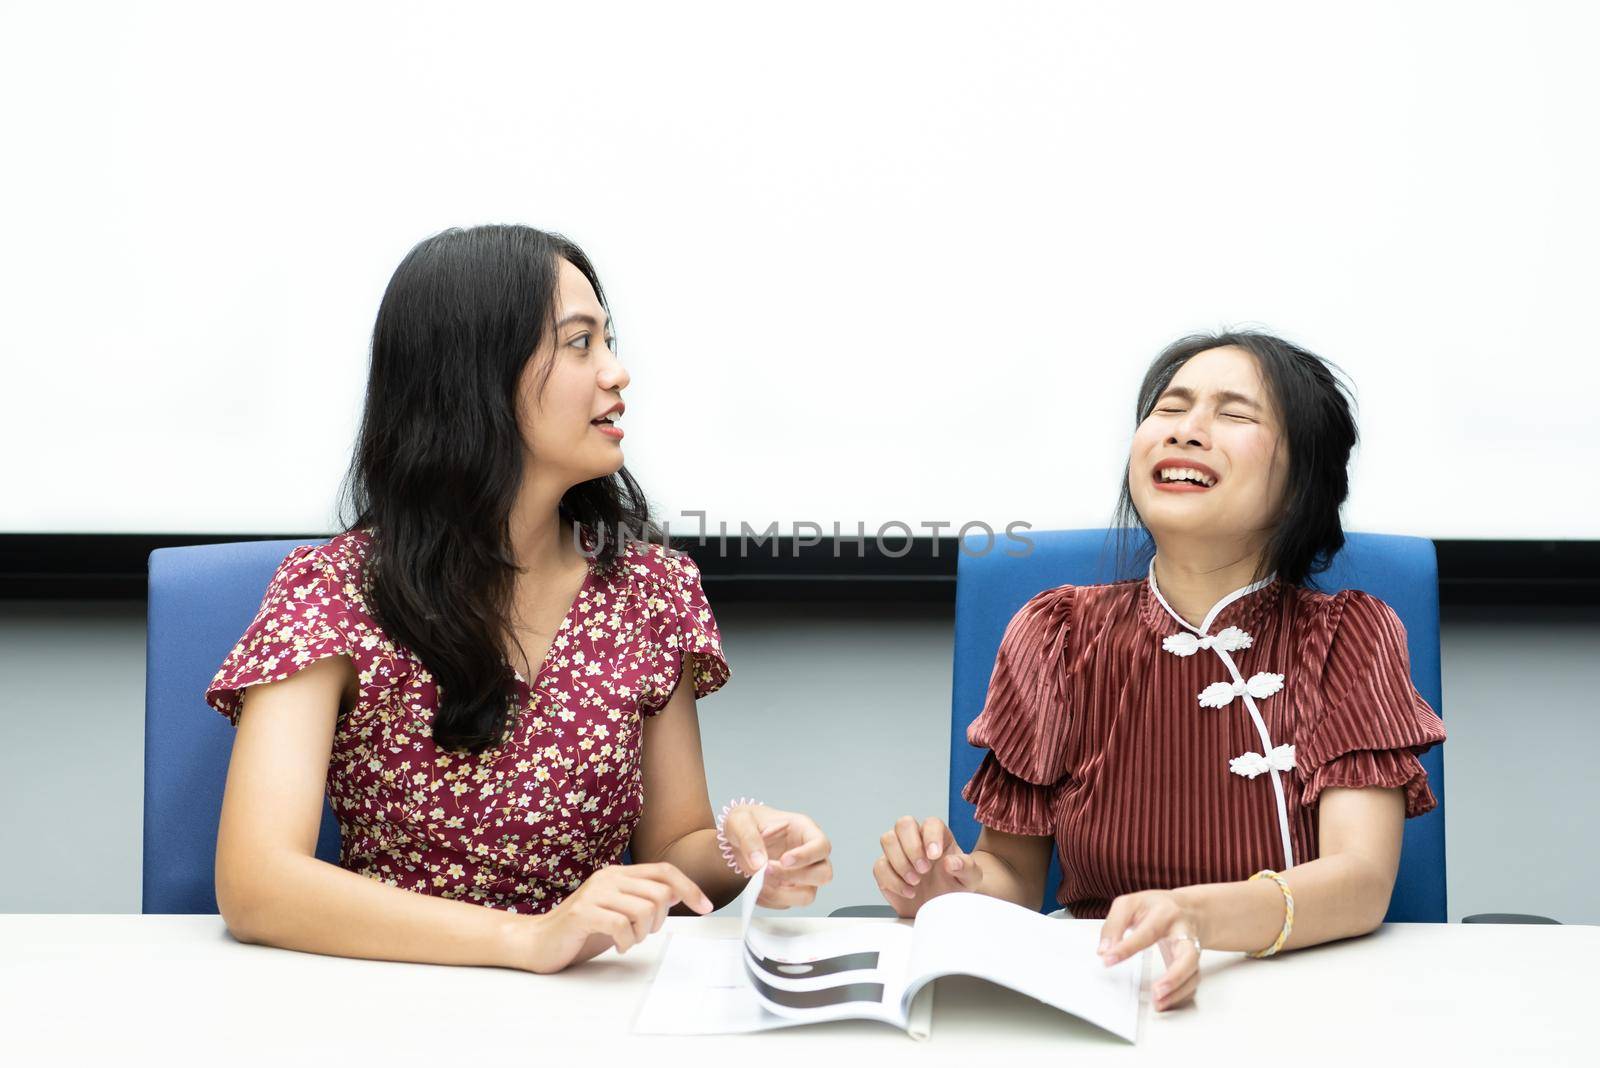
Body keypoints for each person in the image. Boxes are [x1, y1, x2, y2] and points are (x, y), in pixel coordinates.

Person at [207, 224, 831, 975]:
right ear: (476, 376)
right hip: (388, 995)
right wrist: (529, 940)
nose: (617, 372)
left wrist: (744, 847)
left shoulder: (651, 591)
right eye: (580, 343)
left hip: (590, 1005)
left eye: (610, 340)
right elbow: (256, 883)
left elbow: (672, 852)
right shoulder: (336, 592)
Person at [873, 331, 1445, 1011]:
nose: (1189, 432)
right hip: (1103, 993)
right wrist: (949, 885)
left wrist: (1196, 917)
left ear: (1303, 482)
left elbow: (1360, 880)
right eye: (1170, 410)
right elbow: (1013, 878)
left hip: (1302, 999)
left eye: (1235, 415)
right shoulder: (1056, 634)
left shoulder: (1351, 634)